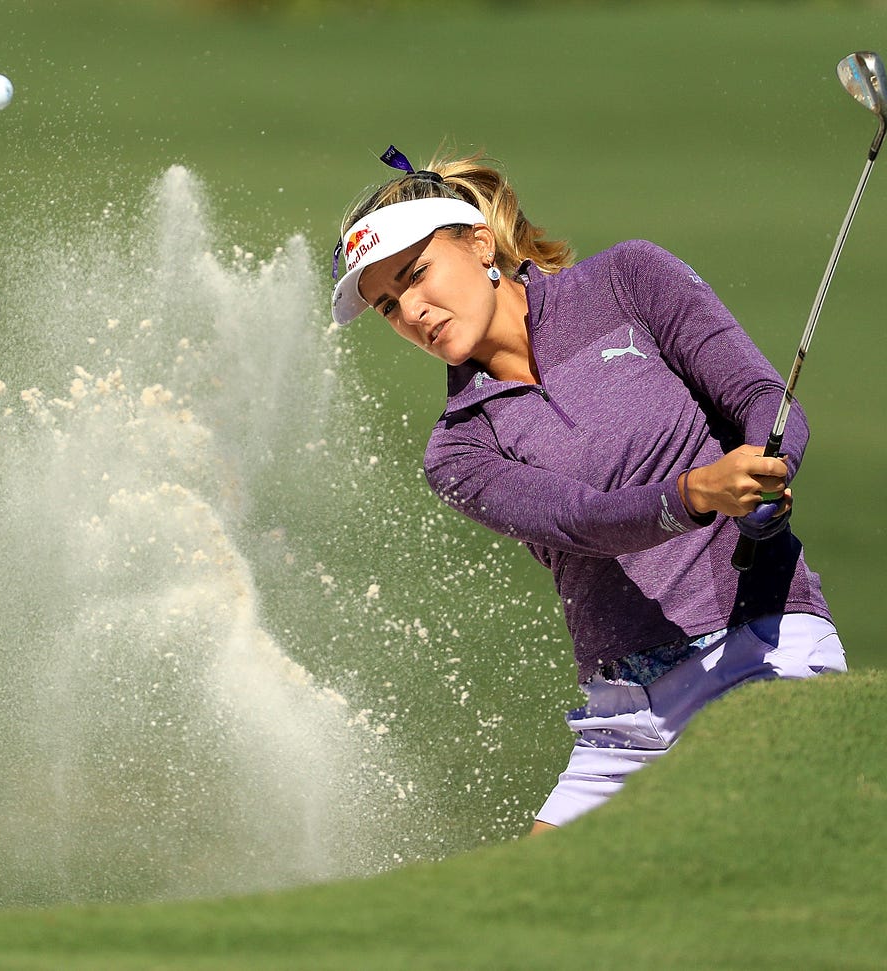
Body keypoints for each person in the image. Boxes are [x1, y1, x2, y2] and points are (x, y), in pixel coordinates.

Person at [330, 146, 845, 834]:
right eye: (389, 306)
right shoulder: (456, 448)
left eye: (417, 274)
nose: (413, 311)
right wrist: (698, 492)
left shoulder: (627, 280)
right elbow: (583, 521)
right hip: (624, 717)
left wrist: (765, 465)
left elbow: (761, 398)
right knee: (523, 917)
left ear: (480, 243)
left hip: (761, 645)